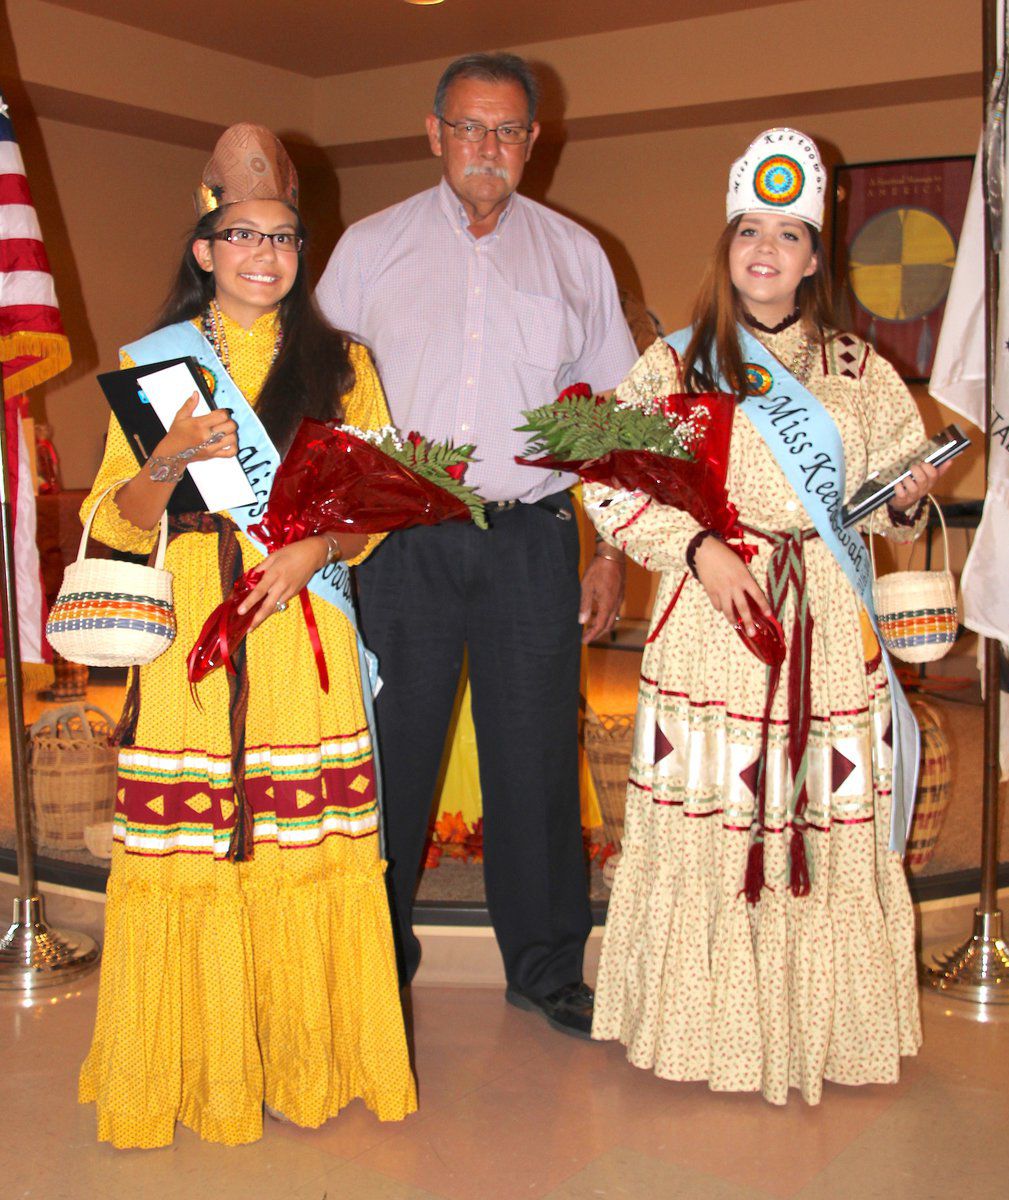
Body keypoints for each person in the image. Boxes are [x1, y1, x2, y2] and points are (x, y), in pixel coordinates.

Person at [588, 128, 947, 1103]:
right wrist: (695, 548)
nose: (763, 251)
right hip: (714, 620)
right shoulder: (672, 365)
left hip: (825, 628)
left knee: (818, 820)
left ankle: (820, 1030)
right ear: (725, 240)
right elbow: (609, 487)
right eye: (748, 229)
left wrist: (908, 497)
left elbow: (892, 508)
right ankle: (707, 1031)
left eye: (786, 235)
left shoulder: (856, 368)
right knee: (720, 817)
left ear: (811, 254)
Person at [77, 124, 415, 1147]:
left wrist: (315, 552)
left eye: (282, 238)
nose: (263, 256)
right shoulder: (152, 368)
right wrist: (170, 454)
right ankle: (196, 1066)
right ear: (204, 248)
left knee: (299, 843)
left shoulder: (343, 363)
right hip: (191, 628)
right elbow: (112, 516)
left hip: (299, 623)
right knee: (195, 850)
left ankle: (304, 1059)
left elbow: (380, 503)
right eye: (241, 236)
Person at [315, 53, 637, 1036]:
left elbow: (607, 420)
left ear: (534, 141)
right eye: (468, 128)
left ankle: (544, 971)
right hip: (396, 545)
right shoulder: (368, 249)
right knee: (388, 764)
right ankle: (373, 962)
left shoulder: (575, 256)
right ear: (432, 132)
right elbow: (318, 401)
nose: (485, 149)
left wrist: (609, 549)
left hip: (528, 544)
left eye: (505, 131)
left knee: (535, 763)